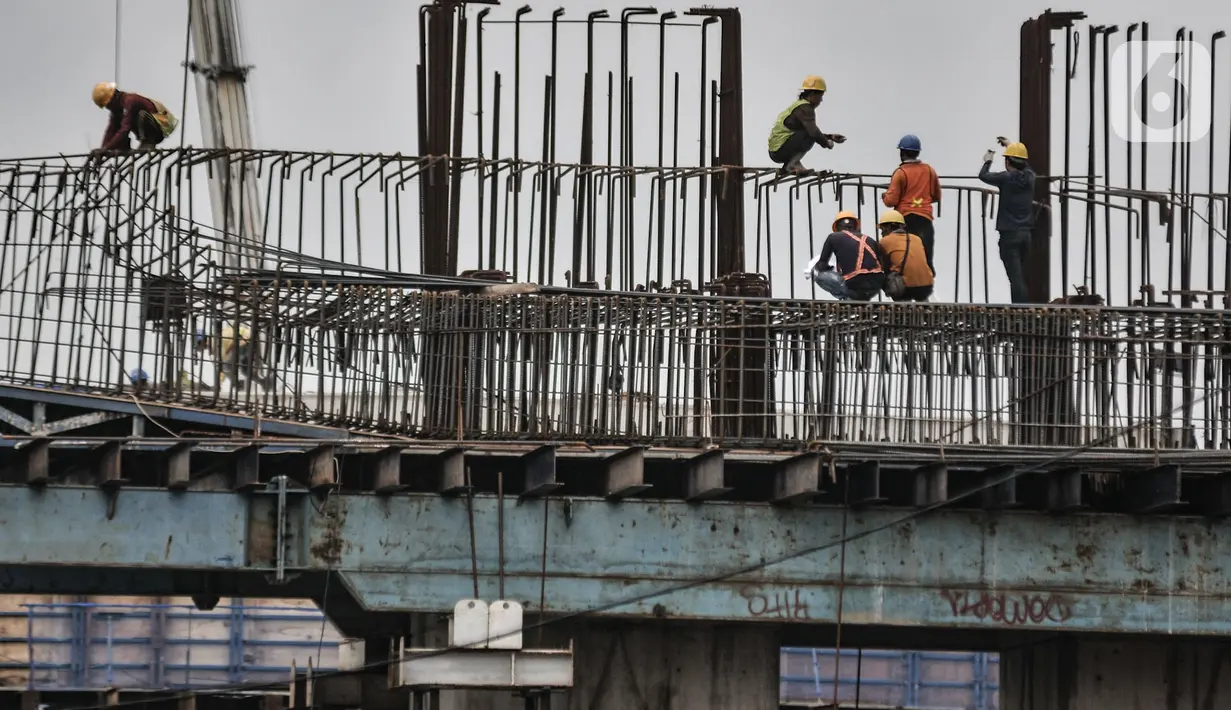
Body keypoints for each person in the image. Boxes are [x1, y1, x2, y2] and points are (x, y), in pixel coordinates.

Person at [978, 141, 1037, 304]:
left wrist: (988, 160)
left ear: (1007, 162)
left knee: (1015, 278)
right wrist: (1011, 146)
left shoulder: (1006, 177)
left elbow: (983, 176)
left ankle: (1020, 310)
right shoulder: (1031, 177)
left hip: (1009, 235)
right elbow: (1027, 166)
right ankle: (1021, 308)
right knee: (1019, 275)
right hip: (1026, 234)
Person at [882, 134, 942, 275]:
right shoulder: (929, 170)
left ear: (902, 153)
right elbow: (936, 195)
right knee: (925, 256)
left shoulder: (900, 173)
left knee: (904, 256)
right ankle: (927, 279)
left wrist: (885, 196)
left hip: (905, 220)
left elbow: (891, 201)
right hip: (925, 218)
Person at [766, 76, 846, 175]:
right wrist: (826, 142)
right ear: (812, 94)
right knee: (809, 134)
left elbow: (807, 132)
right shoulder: (805, 108)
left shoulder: (799, 105)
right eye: (820, 96)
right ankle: (792, 165)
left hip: (778, 150)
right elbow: (813, 133)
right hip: (779, 150)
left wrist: (830, 136)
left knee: (807, 134)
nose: (821, 101)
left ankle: (792, 163)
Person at [805, 211, 886, 301]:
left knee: (820, 276)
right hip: (876, 286)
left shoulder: (833, 237)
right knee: (859, 280)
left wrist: (815, 269)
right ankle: (859, 297)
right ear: (856, 226)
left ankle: (847, 297)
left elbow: (821, 266)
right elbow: (882, 265)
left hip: (855, 283)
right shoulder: (870, 240)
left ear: (837, 227)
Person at [92, 82, 178, 154]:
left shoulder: (130, 101)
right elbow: (111, 129)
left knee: (141, 115)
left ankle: (149, 141)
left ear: (113, 99)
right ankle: (125, 146)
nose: (108, 108)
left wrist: (106, 148)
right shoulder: (118, 108)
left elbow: (125, 129)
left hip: (160, 128)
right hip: (145, 128)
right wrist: (103, 149)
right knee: (119, 120)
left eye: (108, 105)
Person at [194, 323, 275, 389]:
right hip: (246, 339)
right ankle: (264, 383)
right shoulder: (213, 341)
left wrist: (218, 384)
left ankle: (235, 384)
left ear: (201, 342)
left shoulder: (214, 343)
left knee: (225, 366)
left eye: (196, 346)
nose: (197, 349)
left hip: (245, 340)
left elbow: (221, 366)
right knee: (245, 371)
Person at [876, 209, 934, 302]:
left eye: (883, 229)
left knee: (882, 275)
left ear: (890, 227)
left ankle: (902, 307)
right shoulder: (916, 239)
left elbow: (880, 266)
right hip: (926, 285)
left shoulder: (885, 241)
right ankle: (925, 308)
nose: (882, 233)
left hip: (904, 288)